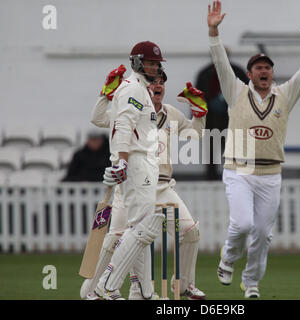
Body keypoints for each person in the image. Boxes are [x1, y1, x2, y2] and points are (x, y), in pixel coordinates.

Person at [207, 0, 300, 298]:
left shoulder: (284, 95)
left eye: (268, 68)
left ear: (272, 73)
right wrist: (214, 32)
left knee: (263, 234)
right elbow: (221, 64)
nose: (264, 71)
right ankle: (228, 258)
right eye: (259, 67)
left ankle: (252, 282)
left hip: (271, 174)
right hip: (239, 169)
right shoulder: (236, 92)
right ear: (249, 73)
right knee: (243, 223)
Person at [80, 70, 208, 300]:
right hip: (131, 185)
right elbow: (98, 119)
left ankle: (184, 286)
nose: (158, 85)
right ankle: (96, 291)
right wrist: (105, 96)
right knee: (118, 237)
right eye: (154, 81)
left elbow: (194, 134)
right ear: (145, 86)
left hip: (163, 187)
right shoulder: (131, 109)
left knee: (190, 232)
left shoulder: (171, 114)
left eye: (162, 82)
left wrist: (199, 115)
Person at [92, 41, 167, 300]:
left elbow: (103, 119)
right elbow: (122, 125)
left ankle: (144, 292)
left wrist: (104, 97)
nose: (153, 67)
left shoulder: (139, 90)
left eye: (156, 63)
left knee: (140, 229)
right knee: (144, 228)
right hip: (136, 163)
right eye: (149, 62)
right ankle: (106, 284)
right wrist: (122, 160)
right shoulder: (134, 88)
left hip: (142, 164)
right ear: (136, 62)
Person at [195, 49, 248, 180]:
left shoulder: (237, 72)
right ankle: (211, 178)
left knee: (232, 150)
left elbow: (247, 92)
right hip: (211, 118)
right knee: (211, 150)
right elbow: (195, 96)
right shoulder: (204, 73)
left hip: (231, 118)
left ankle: (233, 177)